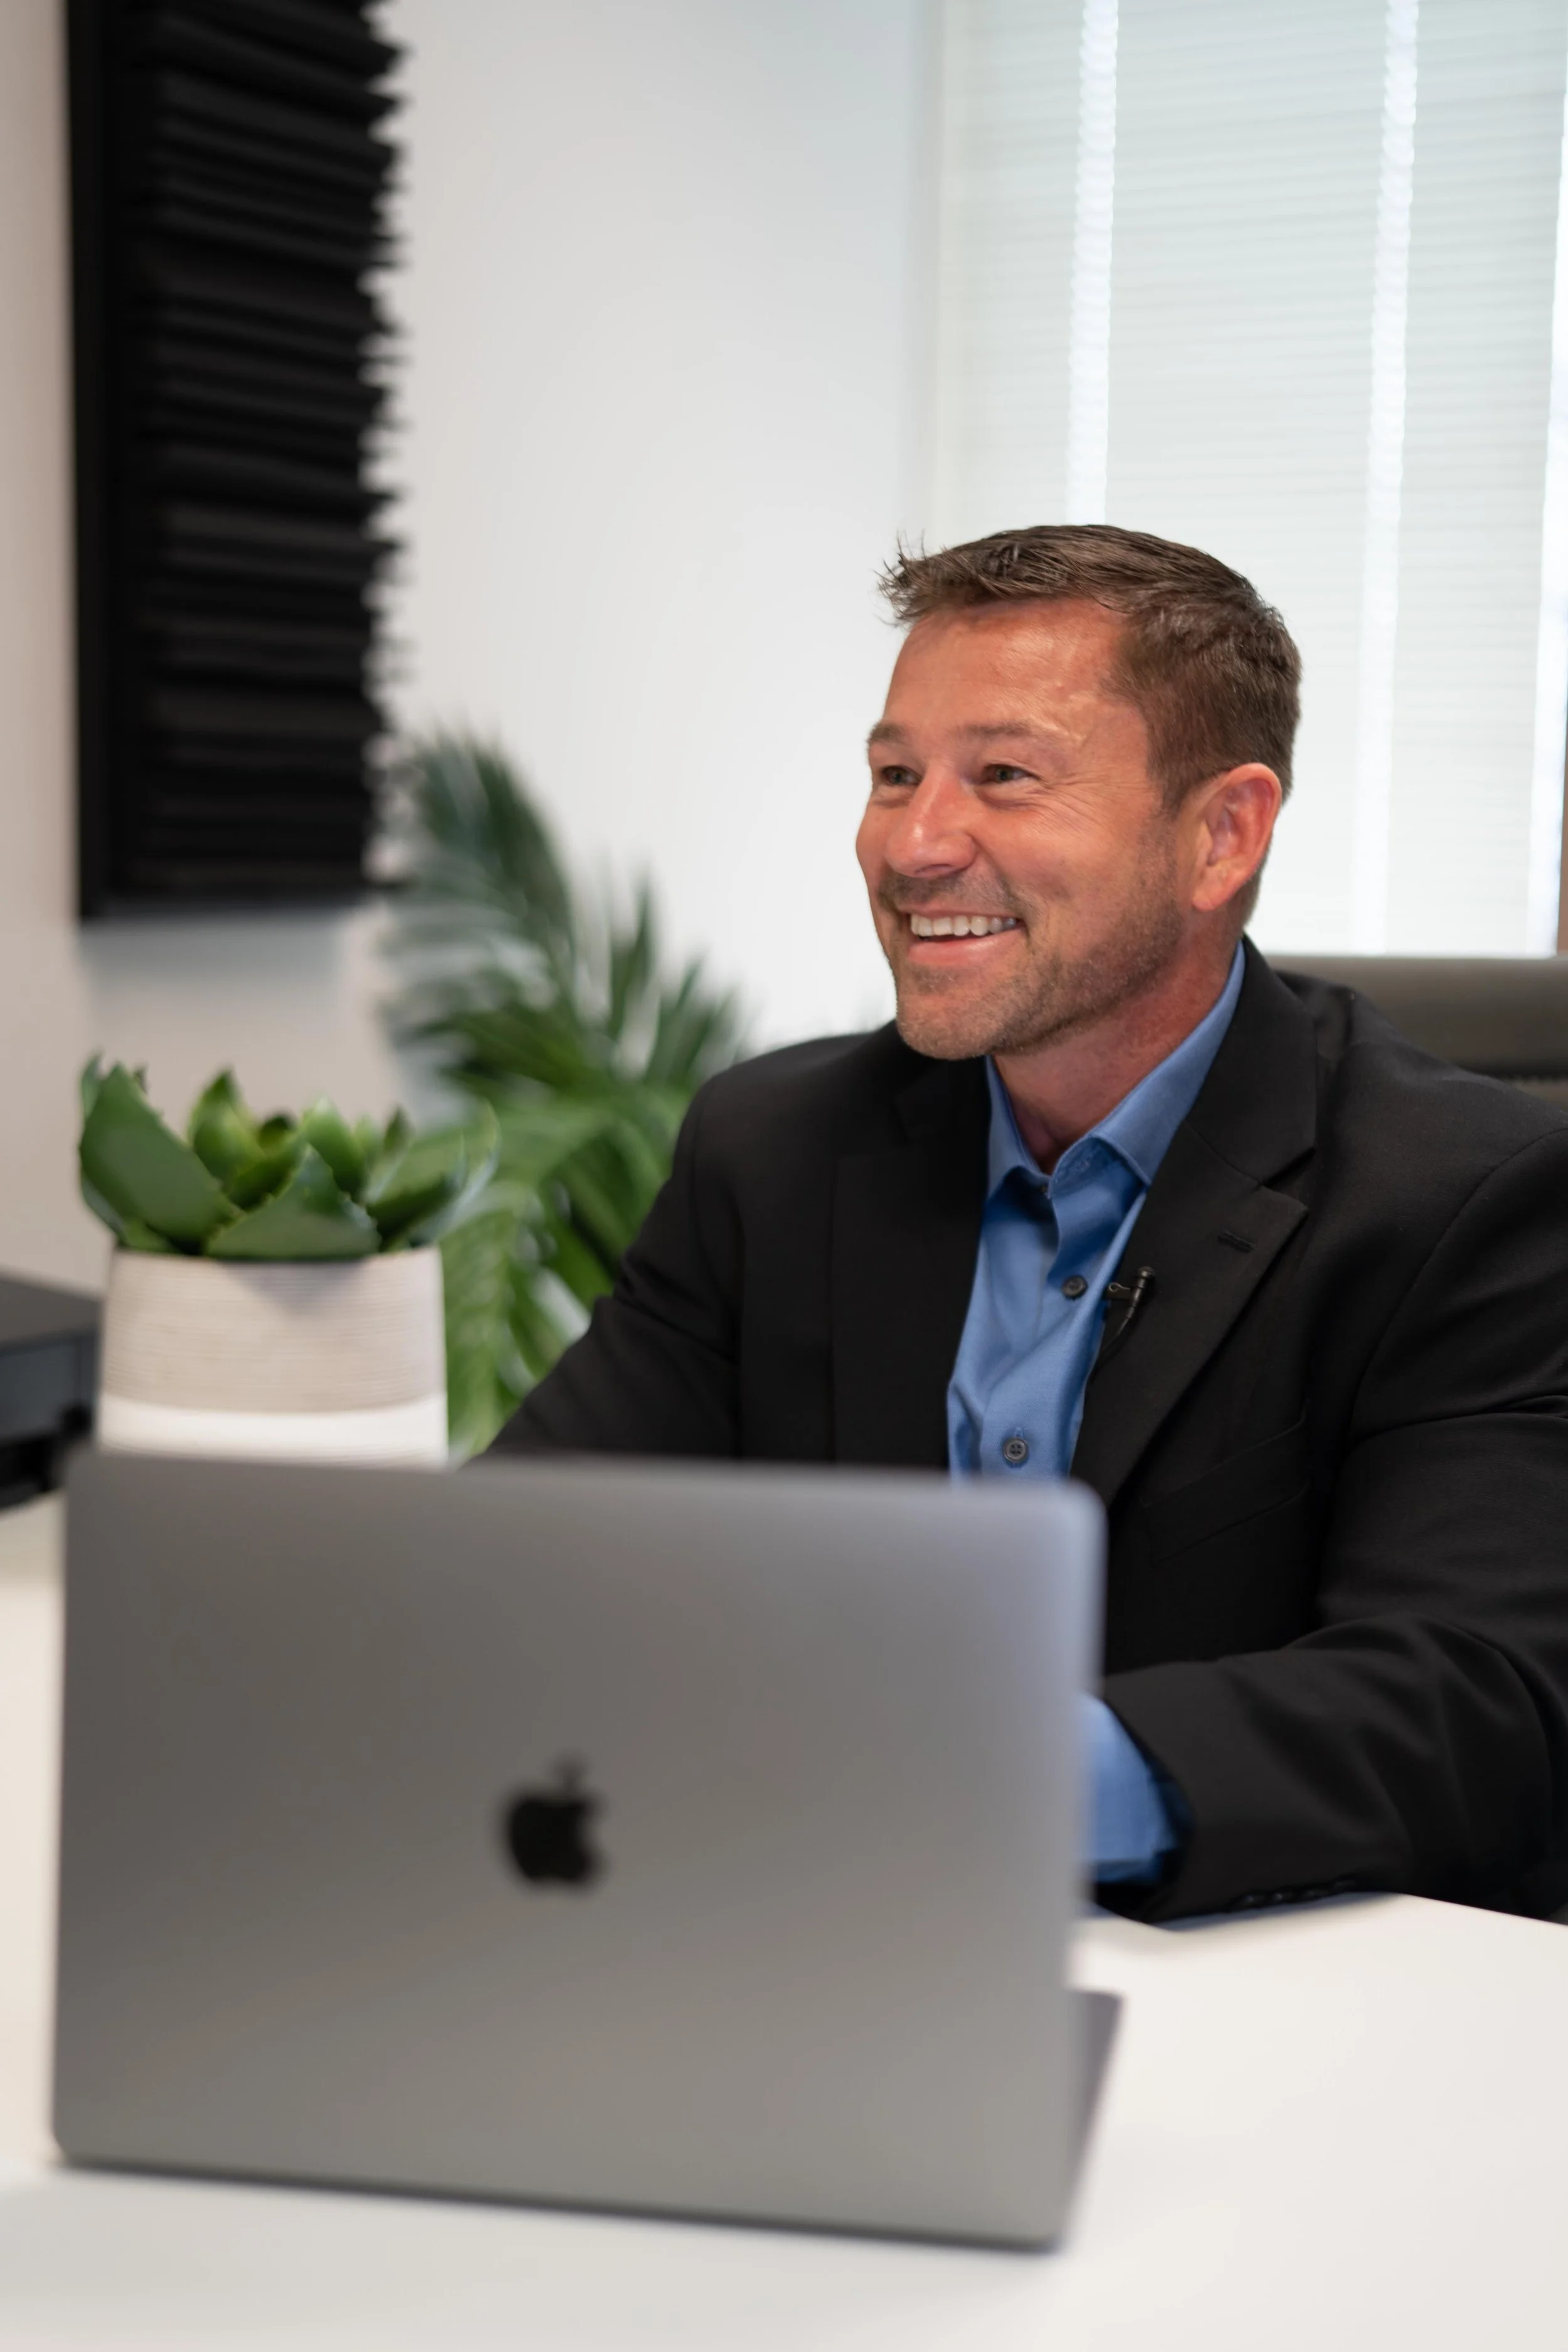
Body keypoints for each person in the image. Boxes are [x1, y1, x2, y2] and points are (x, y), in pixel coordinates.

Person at [493, 523, 1568, 1923]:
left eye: (1002, 777)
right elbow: (526, 1556)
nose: (914, 844)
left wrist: (987, 1779)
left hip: (1263, 1972)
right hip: (804, 1935)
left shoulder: (1464, 1195)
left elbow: (1469, 1698)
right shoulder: (773, 1148)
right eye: (893, 776)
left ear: (1219, 835)